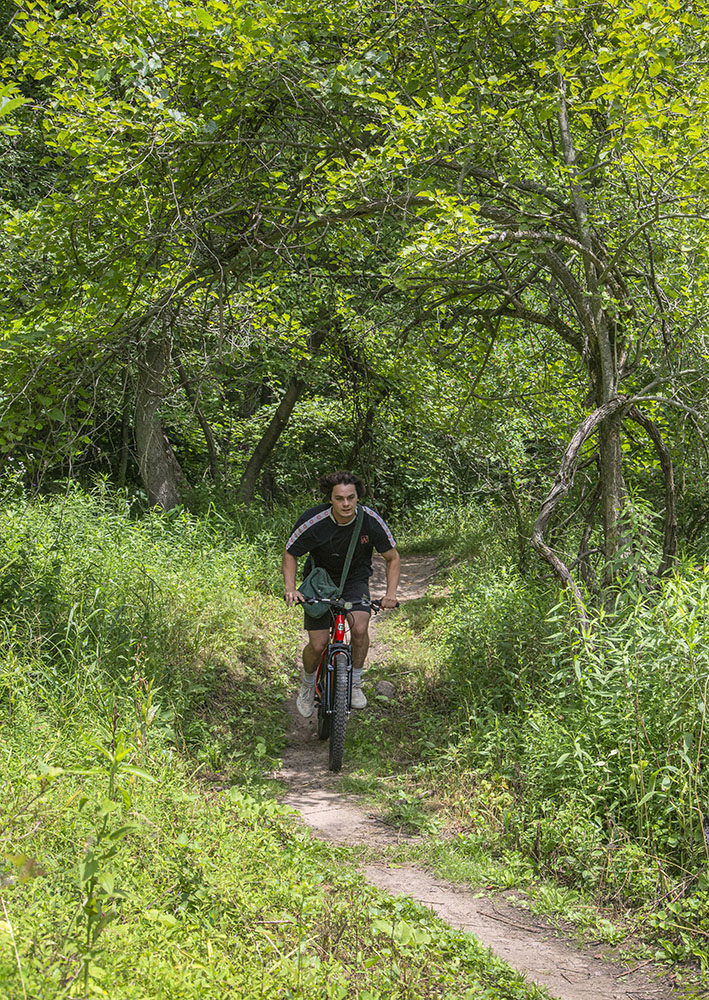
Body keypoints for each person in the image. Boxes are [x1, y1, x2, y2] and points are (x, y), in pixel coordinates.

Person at [282, 471, 400, 718]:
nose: (346, 504)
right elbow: (290, 553)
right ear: (331, 500)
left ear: (358, 497)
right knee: (318, 644)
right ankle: (307, 685)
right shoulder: (314, 520)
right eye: (339, 499)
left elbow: (392, 557)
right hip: (321, 579)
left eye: (350, 498)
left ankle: (354, 682)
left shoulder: (370, 521)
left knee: (358, 629)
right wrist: (291, 589)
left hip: (354, 578)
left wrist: (390, 594)